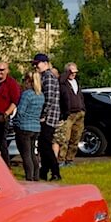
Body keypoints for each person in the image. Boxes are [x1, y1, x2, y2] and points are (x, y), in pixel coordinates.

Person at [12, 69, 44, 182]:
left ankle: (29, 177)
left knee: (26, 155)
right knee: (33, 153)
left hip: (24, 127)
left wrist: (14, 123)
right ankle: (36, 176)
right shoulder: (41, 95)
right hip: (36, 127)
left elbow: (20, 111)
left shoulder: (26, 94)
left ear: (28, 80)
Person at [35, 53, 62, 181]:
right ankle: (44, 171)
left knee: (45, 145)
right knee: (43, 145)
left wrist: (43, 115)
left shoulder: (48, 77)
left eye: (37, 63)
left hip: (49, 117)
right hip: (49, 116)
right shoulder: (44, 76)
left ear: (45, 63)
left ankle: (56, 171)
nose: (36, 66)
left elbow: (49, 99)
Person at [57, 62, 84, 166]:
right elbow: (60, 80)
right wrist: (67, 73)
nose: (74, 74)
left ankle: (70, 159)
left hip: (79, 113)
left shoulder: (76, 82)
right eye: (72, 72)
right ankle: (61, 159)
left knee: (76, 137)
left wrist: (83, 109)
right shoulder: (63, 83)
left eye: (75, 72)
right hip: (69, 114)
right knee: (65, 138)